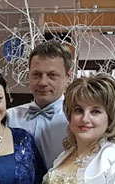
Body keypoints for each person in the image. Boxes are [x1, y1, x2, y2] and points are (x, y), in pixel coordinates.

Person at [6, 41, 75, 169]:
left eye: (52, 75)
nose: (43, 82)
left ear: (68, 77)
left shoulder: (77, 120)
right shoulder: (10, 117)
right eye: (36, 75)